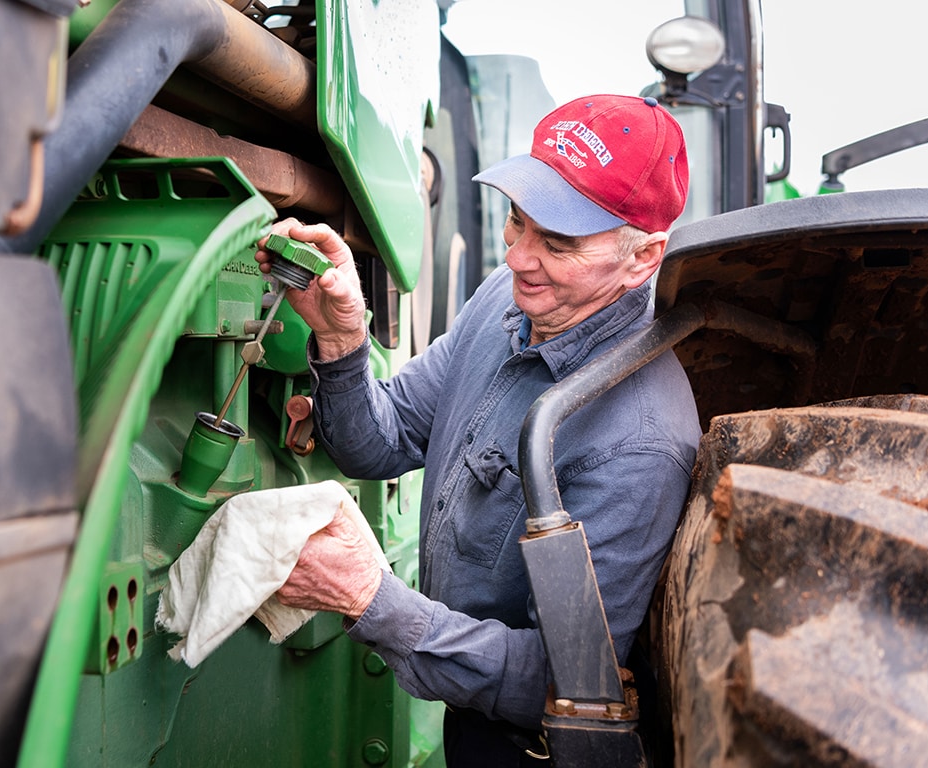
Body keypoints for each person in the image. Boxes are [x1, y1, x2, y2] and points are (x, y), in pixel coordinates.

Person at [257, 94, 702, 767]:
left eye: (557, 242)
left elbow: (566, 684)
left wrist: (371, 600)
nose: (521, 258)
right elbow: (379, 442)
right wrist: (341, 336)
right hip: (461, 716)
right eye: (516, 225)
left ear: (644, 259)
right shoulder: (508, 297)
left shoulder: (641, 439)